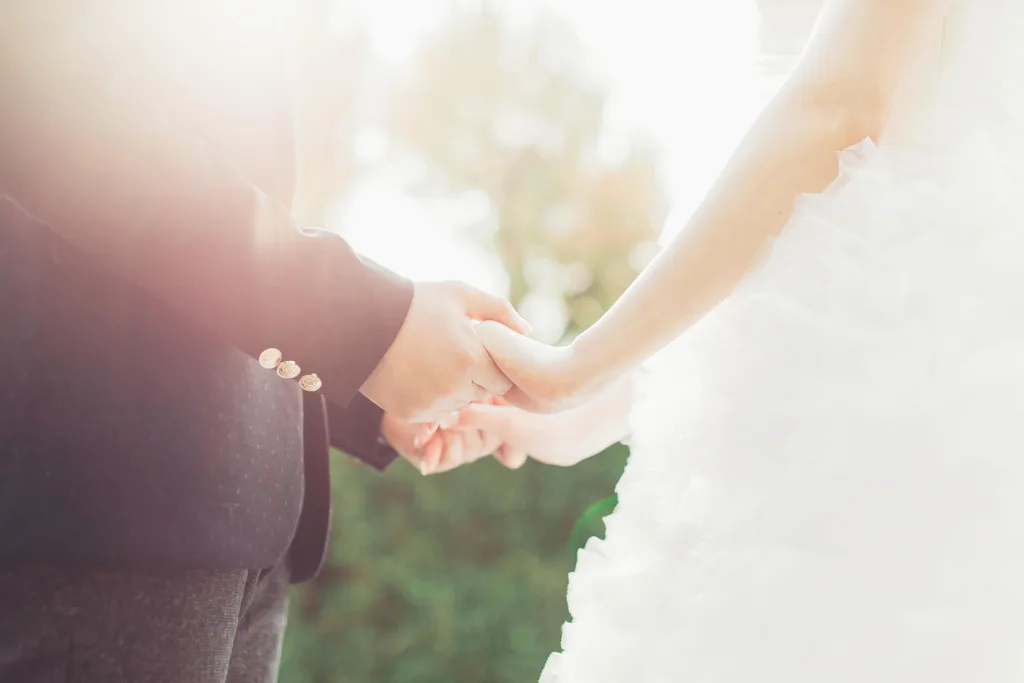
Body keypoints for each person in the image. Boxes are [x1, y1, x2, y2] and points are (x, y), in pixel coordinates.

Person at [427, 0, 1024, 679]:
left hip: (893, 414)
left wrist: (576, 368)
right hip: (808, 417)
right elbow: (788, 232)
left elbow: (842, 111)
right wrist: (582, 415)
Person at [0, 2, 524, 681]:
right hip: (86, 510)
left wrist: (364, 385)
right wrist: (362, 324)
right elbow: (44, 94)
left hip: (228, 536)